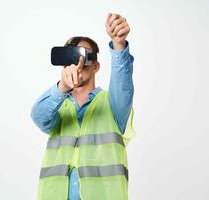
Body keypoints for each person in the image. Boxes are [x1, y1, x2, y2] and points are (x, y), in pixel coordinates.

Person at [31, 13, 136, 200]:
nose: (76, 63)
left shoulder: (112, 104)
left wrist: (119, 45)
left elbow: (123, 83)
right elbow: (38, 116)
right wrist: (62, 87)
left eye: (82, 55)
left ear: (95, 66)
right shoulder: (57, 106)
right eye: (69, 56)